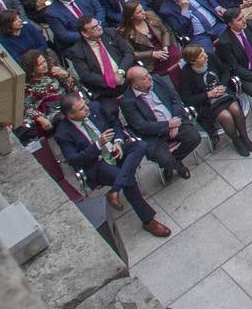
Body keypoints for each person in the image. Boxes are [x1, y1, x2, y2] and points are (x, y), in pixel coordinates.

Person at [54, 93, 171, 236]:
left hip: (115, 150)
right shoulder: (63, 133)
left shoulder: (95, 108)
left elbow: (115, 124)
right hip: (97, 164)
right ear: (70, 115)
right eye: (81, 109)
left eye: (84, 104)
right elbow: (74, 160)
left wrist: (118, 142)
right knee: (129, 181)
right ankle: (148, 221)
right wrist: (97, 145)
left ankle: (115, 189)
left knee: (140, 145)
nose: (86, 108)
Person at [119, 65, 201, 182]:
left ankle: (173, 163)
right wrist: (168, 125)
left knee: (194, 138)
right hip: (154, 134)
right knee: (164, 159)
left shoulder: (156, 79)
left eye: (148, 74)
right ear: (135, 85)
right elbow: (141, 126)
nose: (149, 78)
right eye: (144, 78)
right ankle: (177, 166)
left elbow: (175, 99)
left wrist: (175, 121)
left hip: (174, 120)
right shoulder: (127, 101)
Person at [175, 45, 252, 155]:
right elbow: (187, 98)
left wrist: (222, 85)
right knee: (225, 116)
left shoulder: (211, 58)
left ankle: (244, 137)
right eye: (201, 56)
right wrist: (208, 94)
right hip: (207, 103)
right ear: (193, 61)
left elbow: (225, 71)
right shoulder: (186, 74)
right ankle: (236, 141)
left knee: (236, 109)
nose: (206, 56)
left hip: (222, 93)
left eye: (204, 53)